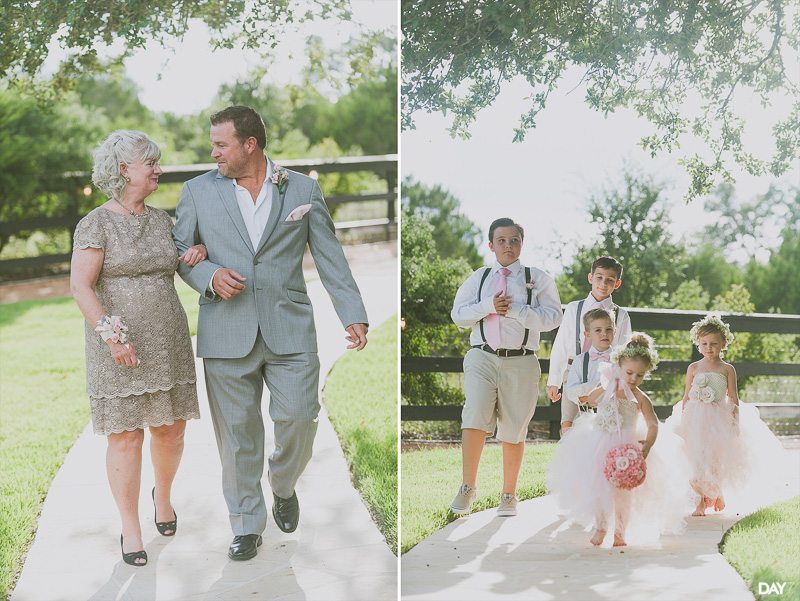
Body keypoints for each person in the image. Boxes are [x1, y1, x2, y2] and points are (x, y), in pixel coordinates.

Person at [172, 105, 369, 561]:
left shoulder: (301, 189)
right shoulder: (197, 191)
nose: (213, 152)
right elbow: (181, 250)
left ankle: (282, 484)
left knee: (300, 418)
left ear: (249, 145)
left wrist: (352, 313)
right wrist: (210, 276)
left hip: (290, 328)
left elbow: (330, 255)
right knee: (238, 436)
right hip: (225, 330)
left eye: (221, 145)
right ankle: (245, 524)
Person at [70, 130, 207, 566]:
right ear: (124, 169)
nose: (158, 169)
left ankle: (161, 497)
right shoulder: (96, 223)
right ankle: (130, 526)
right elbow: (81, 285)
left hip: (167, 340)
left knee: (171, 428)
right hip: (119, 346)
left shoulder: (164, 221)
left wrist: (196, 253)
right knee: (126, 436)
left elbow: (180, 262)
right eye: (151, 162)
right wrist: (112, 336)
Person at [449, 218, 562, 517]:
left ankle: (508, 494)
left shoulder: (537, 278)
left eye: (514, 240)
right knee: (473, 414)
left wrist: (517, 310)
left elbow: (553, 318)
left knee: (514, 427)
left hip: (522, 361)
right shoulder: (480, 278)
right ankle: (468, 487)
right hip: (481, 356)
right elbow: (458, 315)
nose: (508, 246)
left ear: (521, 243)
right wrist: (488, 306)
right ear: (491, 245)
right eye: (502, 241)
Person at [546, 334, 694, 547]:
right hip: (599, 442)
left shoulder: (641, 399)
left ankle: (620, 531)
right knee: (597, 486)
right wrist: (606, 384)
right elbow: (591, 398)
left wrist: (648, 444)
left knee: (623, 492)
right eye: (629, 373)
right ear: (619, 367)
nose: (633, 379)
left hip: (626, 447)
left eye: (640, 375)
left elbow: (653, 424)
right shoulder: (609, 388)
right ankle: (601, 526)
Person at [665, 315, 789, 516]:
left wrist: (734, 423)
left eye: (714, 343)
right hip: (695, 420)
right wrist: (683, 421)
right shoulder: (694, 368)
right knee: (694, 459)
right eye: (704, 343)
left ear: (724, 344)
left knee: (714, 460)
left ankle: (716, 492)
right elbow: (686, 396)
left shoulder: (727, 369)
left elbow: (733, 398)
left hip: (718, 421)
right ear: (698, 344)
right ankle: (699, 502)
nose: (709, 348)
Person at [547, 256, 632, 434]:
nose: (603, 283)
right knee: (568, 424)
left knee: (603, 425)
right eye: (599, 277)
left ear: (617, 284)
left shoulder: (621, 315)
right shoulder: (573, 308)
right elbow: (561, 345)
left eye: (610, 280)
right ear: (590, 278)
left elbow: (624, 350)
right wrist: (554, 380)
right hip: (573, 372)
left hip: (606, 375)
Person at [561, 308, 616, 416]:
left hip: (614, 416)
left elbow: (624, 390)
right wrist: (603, 387)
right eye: (598, 330)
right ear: (587, 334)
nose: (604, 334)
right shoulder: (580, 361)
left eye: (608, 329)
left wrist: (588, 394)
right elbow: (571, 392)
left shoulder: (620, 361)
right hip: (587, 416)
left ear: (615, 331)